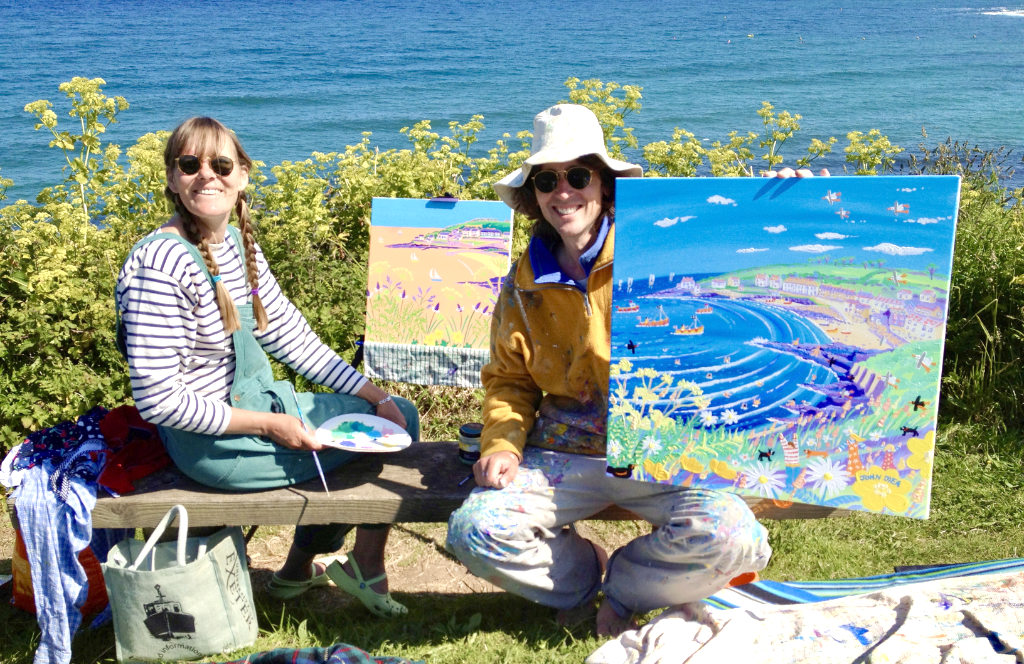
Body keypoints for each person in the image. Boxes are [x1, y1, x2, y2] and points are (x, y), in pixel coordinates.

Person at [445, 104, 772, 637]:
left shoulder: (664, 252)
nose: (563, 191)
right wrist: (501, 444)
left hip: (663, 450)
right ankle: (578, 578)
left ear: (605, 184)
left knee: (735, 537)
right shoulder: (520, 285)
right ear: (533, 194)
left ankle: (625, 589)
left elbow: (752, 259)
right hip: (563, 452)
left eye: (578, 175)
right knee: (474, 532)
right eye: (547, 179)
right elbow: (510, 381)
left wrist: (788, 197)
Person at [116, 116, 411, 617]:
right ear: (172, 178)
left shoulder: (237, 243)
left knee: (393, 414)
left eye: (221, 163)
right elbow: (159, 400)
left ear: (243, 175)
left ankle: (296, 573)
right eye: (190, 164)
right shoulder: (160, 263)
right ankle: (358, 565)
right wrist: (271, 424)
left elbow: (288, 335)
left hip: (254, 412)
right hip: (211, 443)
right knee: (366, 447)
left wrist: (371, 394)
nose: (206, 175)